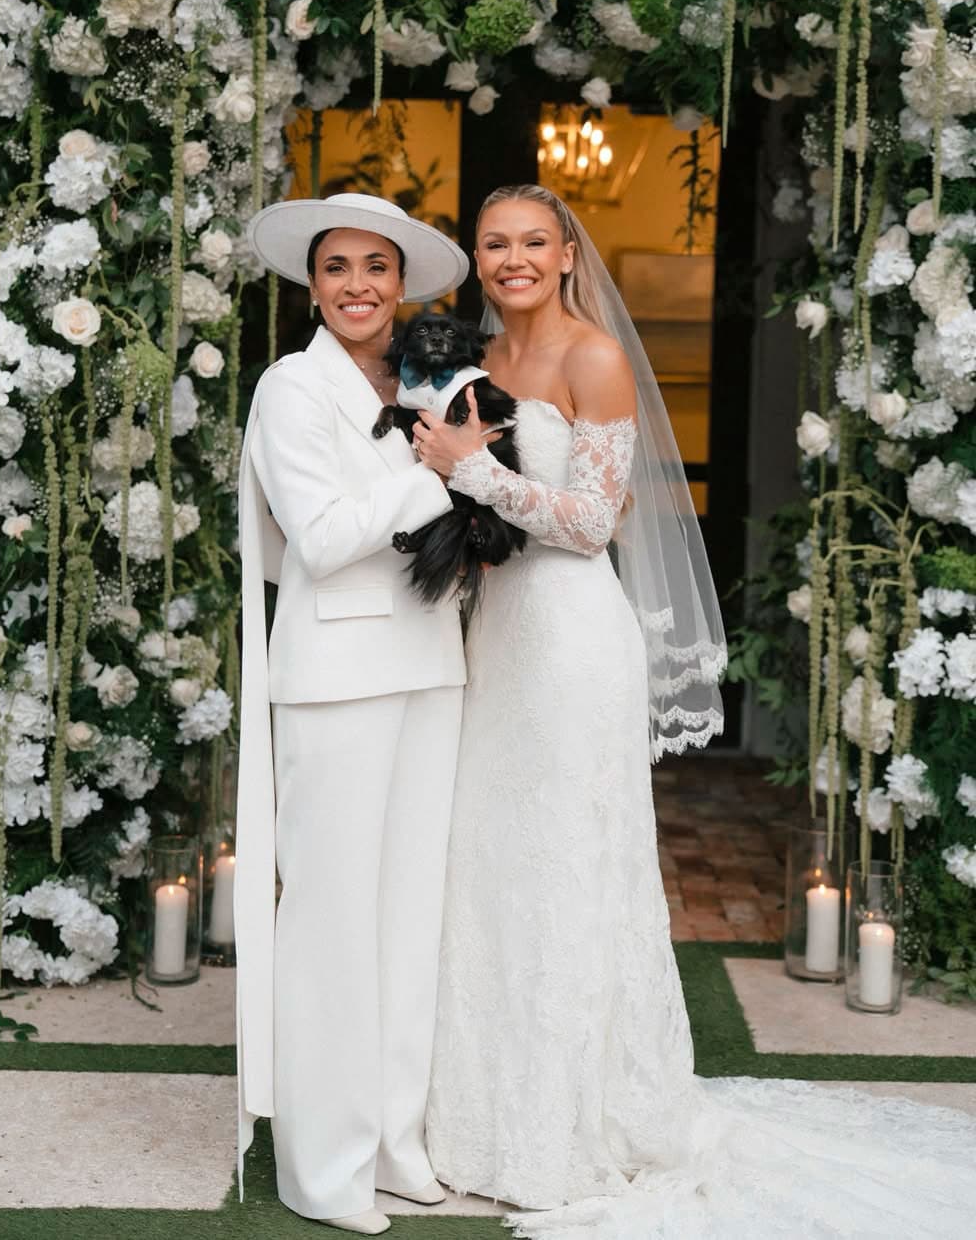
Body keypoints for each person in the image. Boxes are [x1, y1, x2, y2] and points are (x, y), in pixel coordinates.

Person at [414, 184, 976, 1238]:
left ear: (569, 253)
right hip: (495, 641)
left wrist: (472, 470)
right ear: (476, 260)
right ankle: (478, 1118)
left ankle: (573, 1126)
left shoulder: (594, 357)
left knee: (571, 865)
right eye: (495, 243)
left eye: (534, 240)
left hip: (573, 644)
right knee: (491, 862)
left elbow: (591, 525)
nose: (514, 258)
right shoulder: (478, 357)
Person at [235, 193, 471, 1235]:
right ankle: (323, 1171)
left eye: (377, 265)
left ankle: (395, 1142)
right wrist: (435, 473)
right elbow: (323, 540)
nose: (358, 285)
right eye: (337, 267)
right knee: (333, 926)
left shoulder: (425, 381)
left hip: (430, 663)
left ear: (403, 282)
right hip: (336, 674)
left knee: (409, 920)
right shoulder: (291, 389)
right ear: (312, 281)